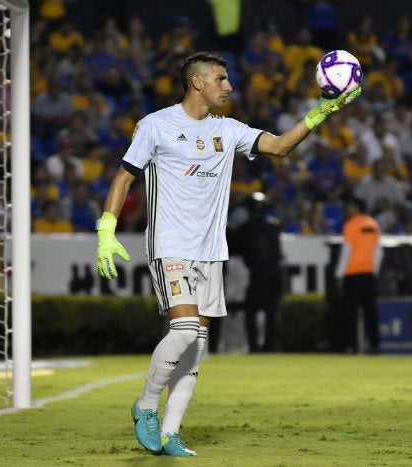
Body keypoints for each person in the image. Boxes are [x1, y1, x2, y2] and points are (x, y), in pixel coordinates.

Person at [94, 51, 361, 456]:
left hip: (211, 250)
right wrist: (106, 229)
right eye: (221, 79)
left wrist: (320, 112)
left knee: (197, 345)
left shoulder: (229, 129)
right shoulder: (156, 126)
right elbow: (123, 177)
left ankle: (170, 432)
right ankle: (146, 406)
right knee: (183, 331)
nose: (229, 86)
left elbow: (279, 146)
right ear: (197, 82)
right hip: (170, 244)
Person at [334, 197, 383, 354]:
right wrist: (373, 271)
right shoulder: (374, 225)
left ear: (356, 208)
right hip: (368, 275)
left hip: (353, 275)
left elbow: (346, 253)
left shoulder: (351, 225)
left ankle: (351, 346)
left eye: (350, 207)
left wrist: (339, 275)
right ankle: (375, 344)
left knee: (350, 313)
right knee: (371, 313)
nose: (347, 210)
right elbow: (378, 252)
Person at [236, 192, 283, 352]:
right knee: (271, 312)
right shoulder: (274, 226)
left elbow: (236, 249)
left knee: (251, 311)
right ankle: (270, 346)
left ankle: (254, 346)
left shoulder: (245, 228)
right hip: (274, 274)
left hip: (258, 274)